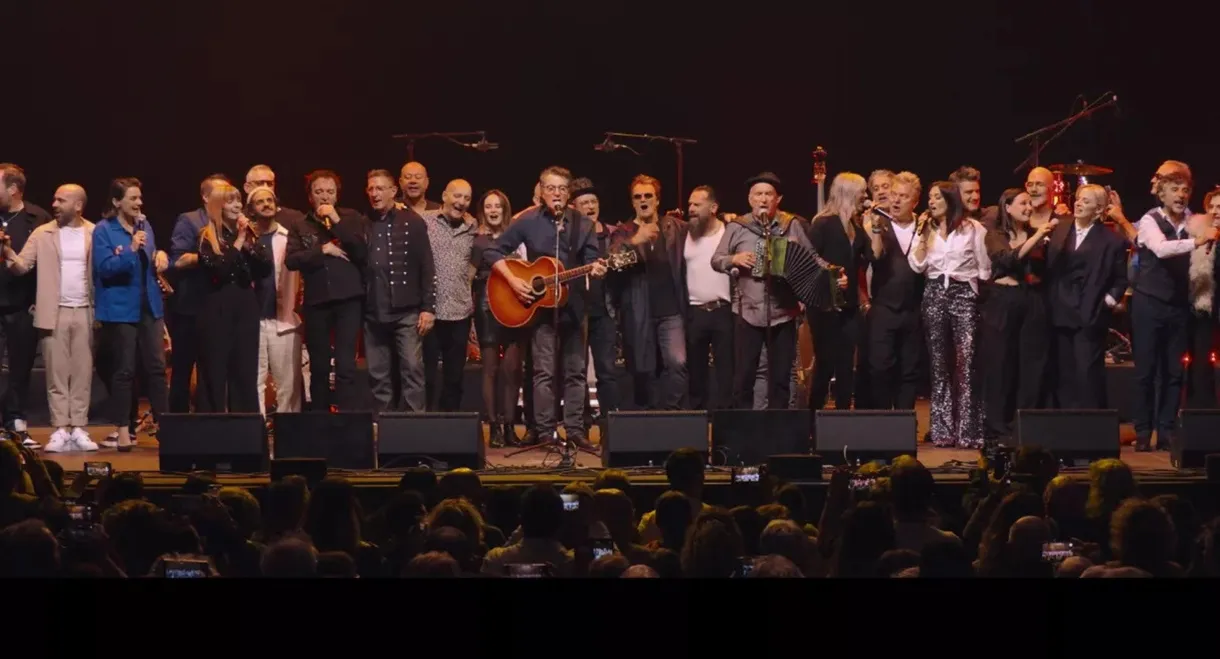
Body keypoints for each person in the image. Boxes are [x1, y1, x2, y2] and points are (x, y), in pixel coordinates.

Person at [485, 166, 608, 452]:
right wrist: (514, 281)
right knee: (543, 374)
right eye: (550, 188)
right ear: (541, 191)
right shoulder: (527, 221)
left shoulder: (583, 224)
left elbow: (593, 259)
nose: (556, 194)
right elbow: (492, 251)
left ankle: (575, 430)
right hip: (540, 309)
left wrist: (598, 269)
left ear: (569, 193)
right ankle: (544, 432)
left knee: (576, 372)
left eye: (562, 189)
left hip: (575, 308)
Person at [711, 172, 821, 409]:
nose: (763, 199)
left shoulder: (791, 225)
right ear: (750, 199)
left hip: (783, 312)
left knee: (781, 378)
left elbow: (811, 258)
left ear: (777, 199)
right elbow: (716, 260)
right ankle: (743, 433)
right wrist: (734, 259)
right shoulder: (737, 227)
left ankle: (778, 432)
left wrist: (833, 273)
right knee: (744, 378)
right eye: (758, 194)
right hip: (747, 312)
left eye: (768, 194)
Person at [2, 184, 98, 452]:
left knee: (81, 374)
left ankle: (78, 427)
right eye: (54, 198)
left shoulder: (93, 232)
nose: (54, 204)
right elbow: (22, 266)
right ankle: (59, 429)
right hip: (53, 312)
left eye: (61, 200)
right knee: (56, 375)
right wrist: (8, 252)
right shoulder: (42, 233)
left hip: (85, 311)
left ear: (78, 205)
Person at [1128, 170, 1217, 450]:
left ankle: (1166, 431)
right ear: (1161, 193)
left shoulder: (1194, 221)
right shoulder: (1149, 220)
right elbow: (1161, 249)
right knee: (1146, 371)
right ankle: (1143, 432)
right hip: (1148, 303)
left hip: (1177, 306)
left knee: (1174, 372)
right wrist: (1197, 241)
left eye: (1185, 191)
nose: (1181, 195)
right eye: (1175, 190)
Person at [908, 181, 991, 448]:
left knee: (966, 363)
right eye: (929, 198)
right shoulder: (926, 230)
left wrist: (970, 288)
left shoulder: (972, 229)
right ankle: (942, 430)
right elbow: (917, 264)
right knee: (939, 364)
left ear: (950, 200)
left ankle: (969, 431)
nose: (931, 202)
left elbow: (984, 267)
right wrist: (921, 236)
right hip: (933, 293)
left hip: (963, 293)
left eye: (937, 198)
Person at [92, 178, 170, 451]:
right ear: (116, 202)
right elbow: (104, 269)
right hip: (120, 310)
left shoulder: (144, 226)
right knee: (124, 370)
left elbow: (150, 262)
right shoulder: (103, 230)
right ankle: (123, 429)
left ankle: (166, 427)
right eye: (132, 199)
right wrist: (130, 249)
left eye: (140, 198)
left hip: (149, 306)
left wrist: (160, 256)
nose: (139, 203)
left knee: (157, 369)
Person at [285, 170, 368, 411]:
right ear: (310, 197)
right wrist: (322, 250)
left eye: (330, 192)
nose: (325, 197)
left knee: (345, 365)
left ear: (337, 195)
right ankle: (320, 421)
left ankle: (347, 419)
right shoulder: (301, 224)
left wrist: (336, 221)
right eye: (318, 192)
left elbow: (360, 252)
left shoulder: (351, 218)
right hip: (317, 302)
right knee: (319, 366)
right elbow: (291, 260)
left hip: (349, 300)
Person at [1044, 184, 1130, 411]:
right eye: (1079, 199)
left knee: (1087, 372)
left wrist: (1106, 304)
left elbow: (1121, 279)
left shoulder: (1112, 241)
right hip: (1060, 308)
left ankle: (1090, 425)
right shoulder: (1060, 229)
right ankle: (1063, 422)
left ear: (1099, 209)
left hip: (1089, 312)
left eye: (1086, 201)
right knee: (1063, 370)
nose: (1079, 203)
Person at [981, 188, 1056, 441]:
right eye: (1023, 203)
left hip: (1031, 300)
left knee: (1031, 364)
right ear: (1008, 207)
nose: (1028, 208)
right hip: (1002, 302)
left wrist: (1040, 238)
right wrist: (1038, 238)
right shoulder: (995, 235)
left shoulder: (1037, 235)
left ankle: (1024, 424)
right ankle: (997, 428)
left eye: (1030, 204)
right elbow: (1007, 260)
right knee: (1001, 364)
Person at [611, 174, 688, 410]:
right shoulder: (623, 232)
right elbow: (613, 261)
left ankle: (672, 413)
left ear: (657, 200)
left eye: (648, 196)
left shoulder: (674, 227)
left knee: (677, 362)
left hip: (671, 311)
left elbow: (700, 231)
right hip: (638, 311)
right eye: (638, 197)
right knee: (644, 369)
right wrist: (636, 240)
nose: (643, 201)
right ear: (632, 202)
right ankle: (651, 418)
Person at [362, 169, 434, 414]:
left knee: (413, 369)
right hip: (373, 311)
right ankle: (383, 426)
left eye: (380, 188)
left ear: (393, 191)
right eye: (371, 189)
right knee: (378, 373)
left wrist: (428, 308)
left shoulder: (412, 221)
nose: (374, 193)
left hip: (406, 311)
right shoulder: (363, 221)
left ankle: (415, 427)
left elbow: (426, 265)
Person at [196, 183, 271, 413]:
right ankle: (212, 428)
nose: (238, 205)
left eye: (239, 200)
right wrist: (238, 242)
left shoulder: (247, 236)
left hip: (245, 306)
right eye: (231, 201)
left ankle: (245, 430)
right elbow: (219, 270)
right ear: (218, 205)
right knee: (215, 370)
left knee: (245, 370)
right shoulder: (206, 236)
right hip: (217, 308)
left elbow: (264, 269)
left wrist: (249, 243)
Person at [167, 174, 231, 413]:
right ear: (205, 196)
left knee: (213, 370)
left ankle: (211, 421)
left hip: (220, 308)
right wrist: (210, 258)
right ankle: (178, 422)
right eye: (219, 192)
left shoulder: (231, 222)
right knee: (183, 368)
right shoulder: (190, 220)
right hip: (191, 308)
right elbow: (178, 260)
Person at [808, 172, 872, 413]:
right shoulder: (823, 223)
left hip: (849, 306)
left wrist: (874, 225)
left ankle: (843, 419)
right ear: (848, 192)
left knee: (846, 365)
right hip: (824, 306)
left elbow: (872, 256)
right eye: (862, 191)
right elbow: (809, 259)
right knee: (825, 364)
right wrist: (832, 277)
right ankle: (812, 418)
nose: (865, 196)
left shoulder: (855, 226)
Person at [0, 163, 51, 448]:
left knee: (20, 367)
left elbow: (46, 265)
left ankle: (15, 421)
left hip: (22, 305)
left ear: (13, 189)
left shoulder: (37, 218)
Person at [864, 171, 924, 411]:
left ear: (915, 201)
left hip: (913, 309)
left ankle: (904, 423)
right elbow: (875, 257)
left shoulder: (923, 225)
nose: (897, 201)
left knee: (909, 371)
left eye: (903, 197)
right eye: (894, 195)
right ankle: (882, 426)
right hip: (884, 308)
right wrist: (877, 231)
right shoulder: (877, 224)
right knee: (880, 367)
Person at [421, 180, 478, 412]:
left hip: (460, 313)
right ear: (444, 196)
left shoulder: (473, 227)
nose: (461, 202)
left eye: (466, 198)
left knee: (454, 377)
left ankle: (450, 428)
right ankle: (424, 425)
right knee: (426, 375)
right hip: (430, 313)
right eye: (457, 196)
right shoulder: (425, 222)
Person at [471, 189, 522, 446]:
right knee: (490, 368)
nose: (493, 210)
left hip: (514, 306)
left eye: (497, 206)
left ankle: (511, 425)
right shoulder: (478, 240)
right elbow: (469, 276)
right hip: (486, 304)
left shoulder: (516, 237)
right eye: (488, 206)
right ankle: (494, 428)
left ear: (504, 209)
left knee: (512, 369)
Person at [248, 187, 303, 415]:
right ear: (251, 209)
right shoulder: (245, 239)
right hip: (253, 321)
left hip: (284, 318)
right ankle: (257, 437)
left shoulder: (288, 237)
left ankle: (287, 436)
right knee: (254, 383)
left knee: (288, 385)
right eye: (260, 201)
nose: (266, 204)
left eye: (269, 200)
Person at [683, 185, 733, 411]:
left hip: (724, 311)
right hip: (694, 312)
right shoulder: (685, 233)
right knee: (696, 373)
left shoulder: (730, 231)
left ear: (713, 208)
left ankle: (725, 424)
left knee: (727, 371)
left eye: (697, 204)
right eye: (690, 204)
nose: (691, 209)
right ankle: (696, 425)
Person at [1185, 190, 1220, 408]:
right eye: (1213, 207)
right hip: (1199, 306)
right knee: (1197, 363)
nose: (1216, 211)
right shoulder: (1195, 232)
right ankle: (1195, 414)